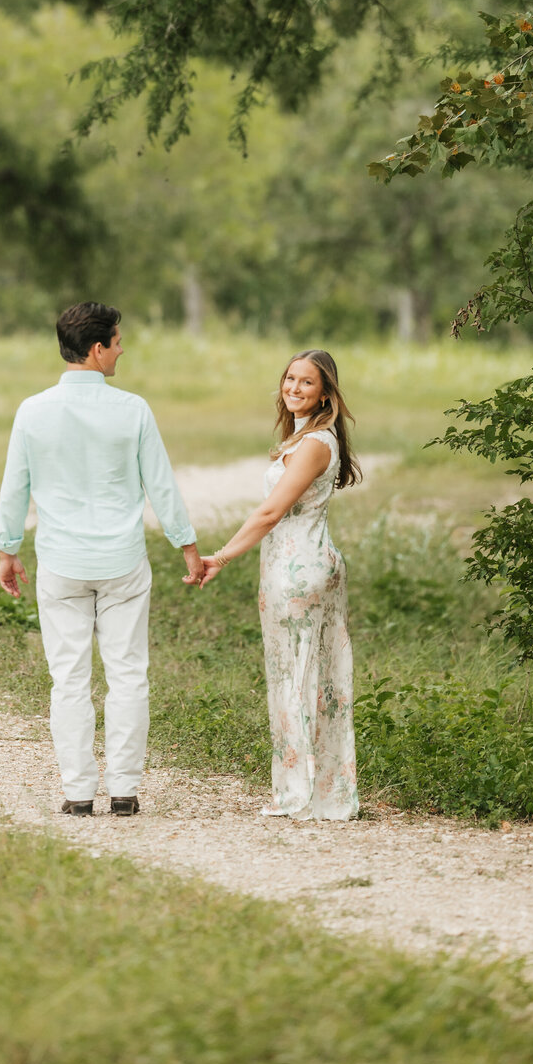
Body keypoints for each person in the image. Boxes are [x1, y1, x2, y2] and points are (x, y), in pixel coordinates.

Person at [0, 302, 203, 818]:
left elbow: (14, 487)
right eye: (117, 341)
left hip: (61, 563)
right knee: (128, 673)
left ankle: (78, 793)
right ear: (97, 349)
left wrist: (8, 549)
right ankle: (126, 790)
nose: (122, 349)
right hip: (121, 563)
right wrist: (188, 546)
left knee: (68, 678)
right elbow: (161, 483)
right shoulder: (131, 409)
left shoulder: (32, 410)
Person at [196, 348, 360, 822]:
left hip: (299, 571)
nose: (294, 388)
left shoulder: (313, 444)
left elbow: (270, 512)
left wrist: (221, 557)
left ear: (326, 392)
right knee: (315, 678)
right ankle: (323, 792)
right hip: (303, 566)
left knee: (297, 679)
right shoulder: (307, 438)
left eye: (307, 382)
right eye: (290, 379)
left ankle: (300, 794)